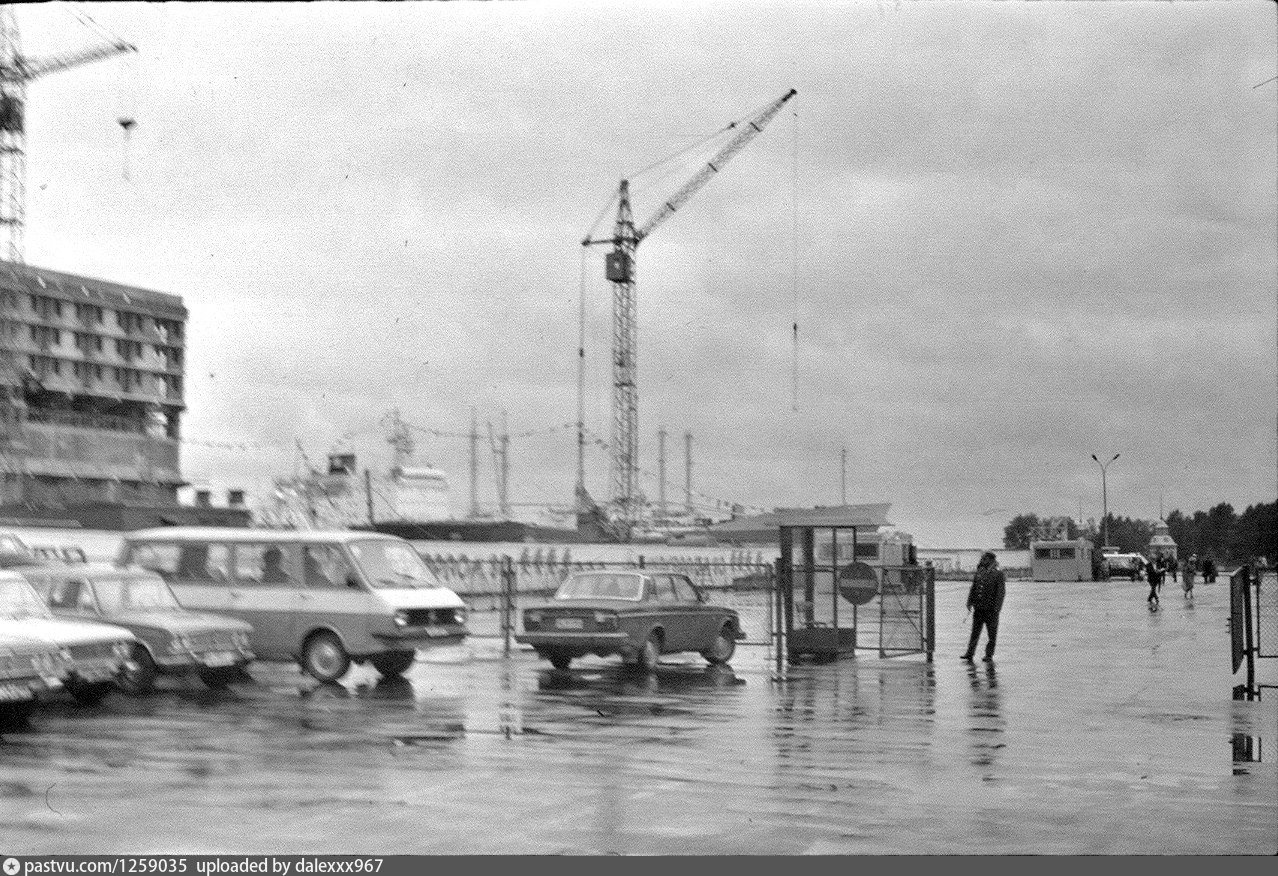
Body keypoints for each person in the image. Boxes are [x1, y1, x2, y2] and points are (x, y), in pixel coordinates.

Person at [962, 551, 1006, 663]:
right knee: (975, 632)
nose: (982, 561)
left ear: (991, 560)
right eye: (982, 559)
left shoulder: (998, 574)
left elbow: (1000, 593)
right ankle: (970, 653)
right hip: (979, 608)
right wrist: (969, 602)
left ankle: (989, 655)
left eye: (985, 559)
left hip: (991, 609)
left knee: (991, 634)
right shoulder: (980, 572)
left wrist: (997, 608)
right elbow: (974, 588)